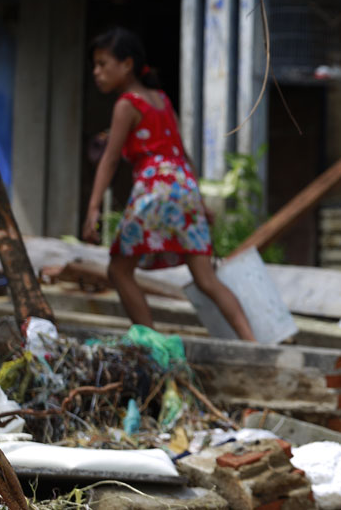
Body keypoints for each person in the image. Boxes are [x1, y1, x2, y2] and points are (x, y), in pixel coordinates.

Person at [82, 27, 256, 342]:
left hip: (155, 188)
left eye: (102, 64)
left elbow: (109, 160)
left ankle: (153, 346)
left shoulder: (127, 104)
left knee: (119, 270)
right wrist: (199, 204)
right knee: (206, 279)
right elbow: (183, 155)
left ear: (127, 65)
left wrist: (93, 208)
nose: (97, 72)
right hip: (184, 187)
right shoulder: (161, 99)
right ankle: (252, 342)